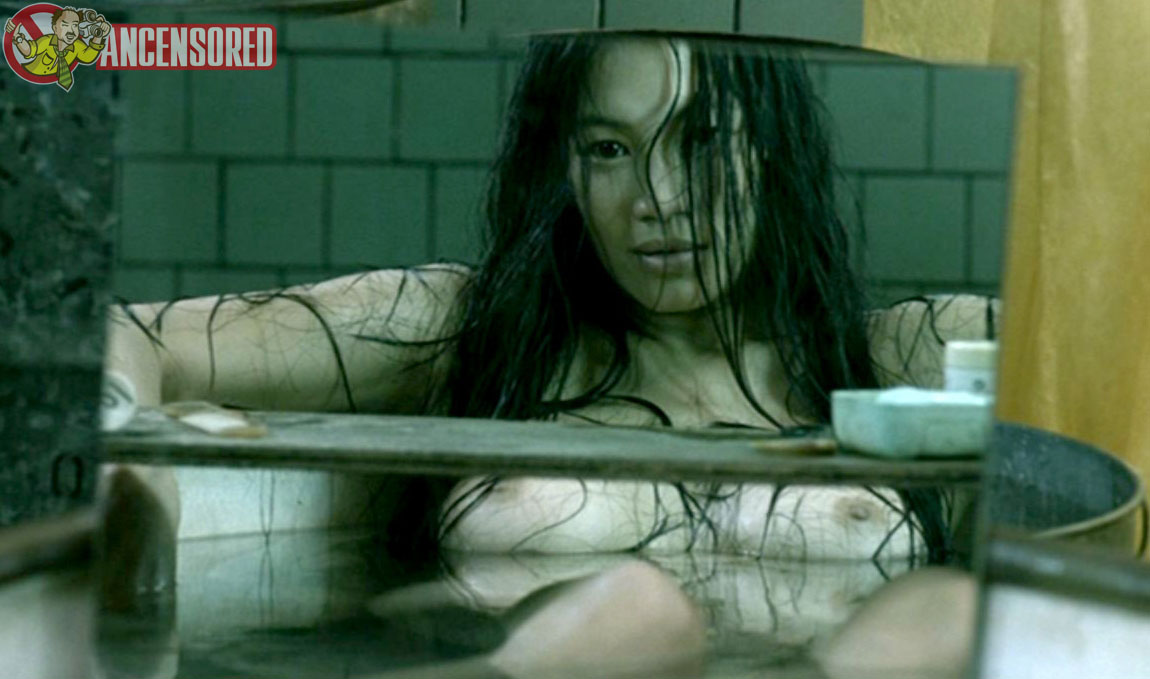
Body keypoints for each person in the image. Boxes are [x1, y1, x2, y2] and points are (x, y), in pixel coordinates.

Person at [104, 32, 996, 677]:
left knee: (945, 614)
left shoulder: (899, 355)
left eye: (701, 140)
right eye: (609, 149)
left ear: (772, 152)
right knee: (636, 614)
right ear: (566, 170)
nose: (658, 198)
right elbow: (126, 332)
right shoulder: (465, 324)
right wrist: (130, 465)